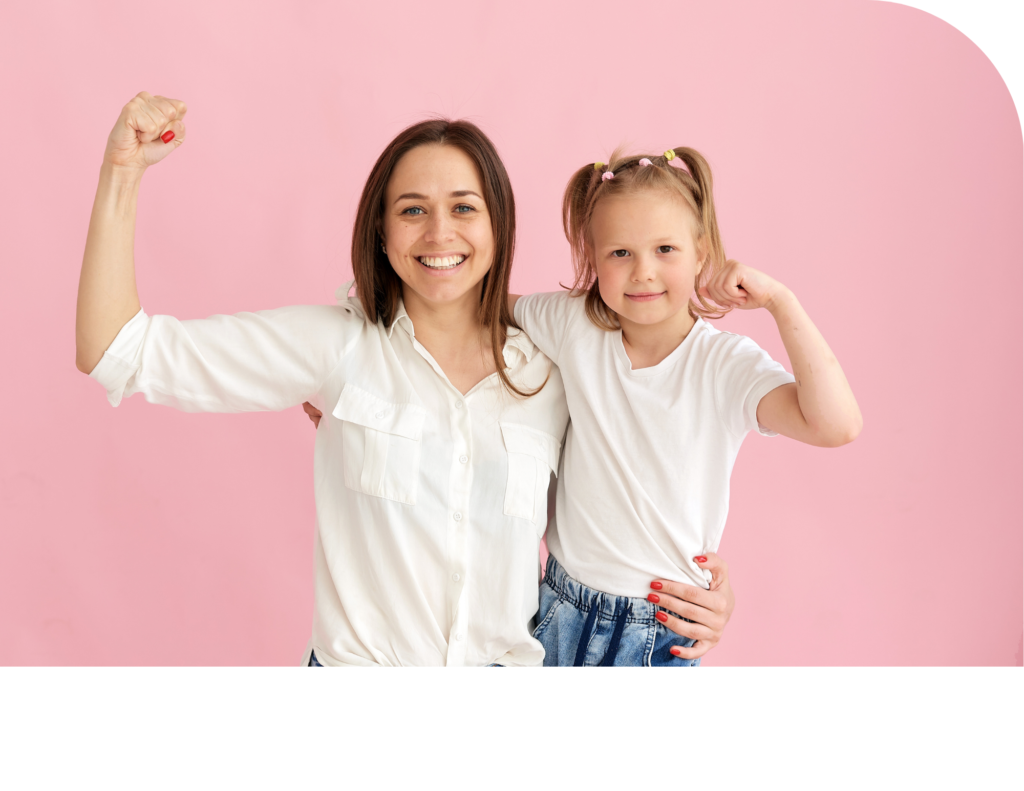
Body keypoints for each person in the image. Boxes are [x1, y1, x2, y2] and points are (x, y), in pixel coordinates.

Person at [75, 92, 735, 666]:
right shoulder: (337, 345)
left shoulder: (554, 369)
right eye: (413, 210)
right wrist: (121, 171)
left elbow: (639, 491)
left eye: (464, 207)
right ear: (382, 232)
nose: (440, 231)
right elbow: (117, 349)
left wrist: (705, 589)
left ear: (499, 224)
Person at [505, 149, 862, 665]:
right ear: (592, 260)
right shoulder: (573, 324)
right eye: (619, 253)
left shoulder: (724, 365)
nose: (643, 272)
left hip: (658, 629)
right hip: (557, 608)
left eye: (665, 249)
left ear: (702, 254)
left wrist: (781, 301)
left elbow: (837, 425)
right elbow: (481, 302)